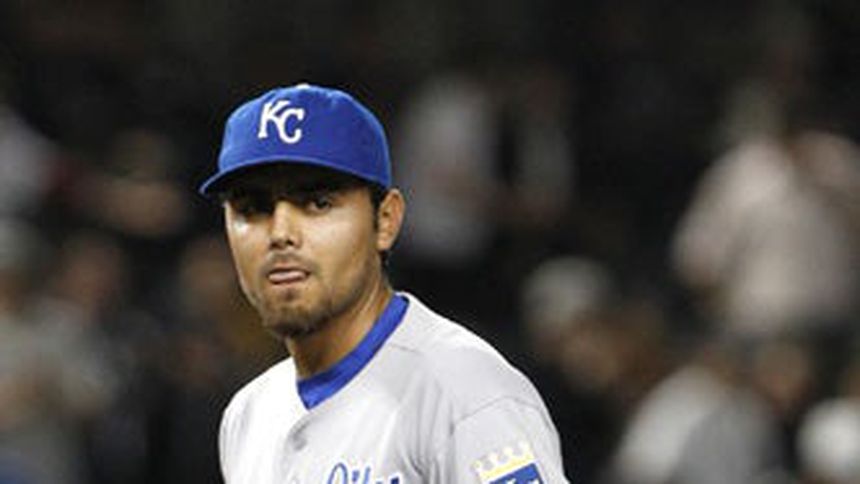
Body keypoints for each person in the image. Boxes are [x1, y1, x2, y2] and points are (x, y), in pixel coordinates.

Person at [198, 83, 567, 483]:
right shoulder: (248, 415)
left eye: (318, 203)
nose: (281, 233)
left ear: (386, 220)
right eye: (252, 208)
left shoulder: (466, 394)